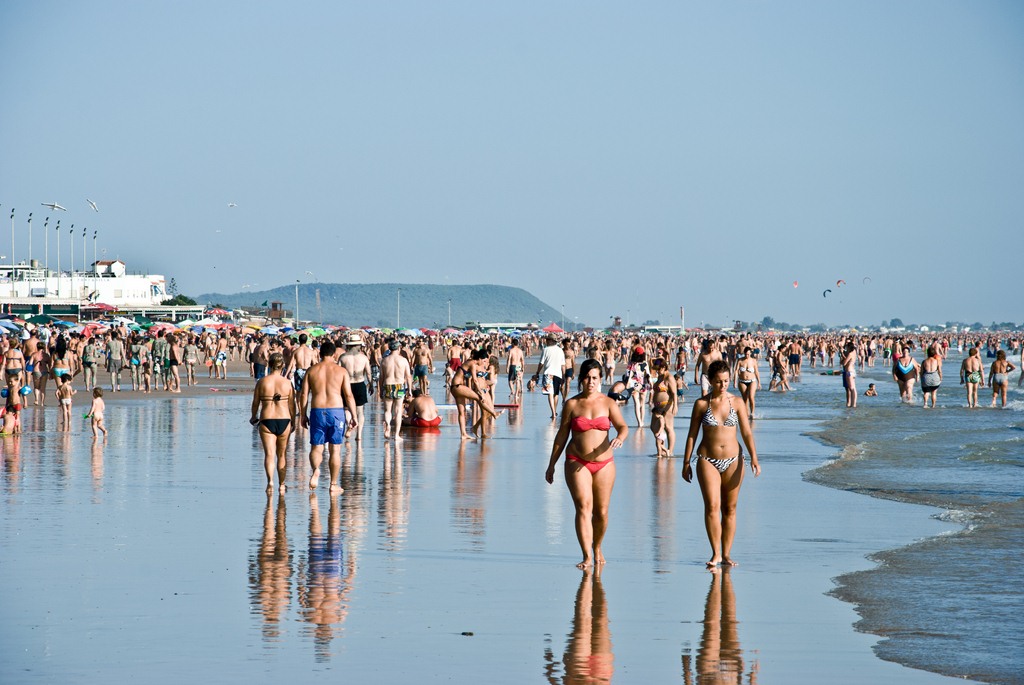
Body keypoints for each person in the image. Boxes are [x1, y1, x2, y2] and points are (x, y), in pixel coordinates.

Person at [545, 359, 629, 569]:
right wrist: (551, 464)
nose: (591, 382)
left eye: (594, 378)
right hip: (576, 461)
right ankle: (586, 556)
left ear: (600, 379)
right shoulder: (572, 404)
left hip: (604, 463)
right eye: (587, 378)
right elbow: (562, 436)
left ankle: (597, 547)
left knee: (601, 512)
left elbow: (623, 426)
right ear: (581, 379)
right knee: (583, 506)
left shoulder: (608, 403)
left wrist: (620, 437)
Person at [682, 360, 760, 567]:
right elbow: (692, 435)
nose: (723, 385)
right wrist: (686, 462)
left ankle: (726, 554)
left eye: (726, 381)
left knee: (730, 508)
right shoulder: (701, 404)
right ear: (710, 380)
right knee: (712, 506)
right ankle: (715, 553)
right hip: (707, 459)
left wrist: (754, 457)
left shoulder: (737, 402)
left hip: (734, 460)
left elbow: (746, 432)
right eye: (718, 381)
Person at [298, 340, 357, 493]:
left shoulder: (311, 371)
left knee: (316, 447)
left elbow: (304, 394)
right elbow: (348, 396)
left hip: (317, 410)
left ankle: (316, 470)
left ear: (320, 353)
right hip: (336, 411)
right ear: (334, 354)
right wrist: (354, 416)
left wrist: (302, 415)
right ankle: (333, 484)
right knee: (335, 449)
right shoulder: (341, 371)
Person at [250, 352, 296, 493]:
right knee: (281, 455)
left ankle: (270, 482)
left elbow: (255, 403)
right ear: (282, 366)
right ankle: (282, 485)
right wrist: (293, 421)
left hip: (266, 419)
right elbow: (292, 405)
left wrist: (253, 416)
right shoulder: (287, 383)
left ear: (269, 365)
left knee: (269, 455)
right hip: (284, 419)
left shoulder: (262, 382)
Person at [339, 333, 372, 440]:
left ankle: (349, 423)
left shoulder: (343, 357)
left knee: (346, 408)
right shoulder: (363, 357)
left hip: (346, 384)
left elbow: (338, 372)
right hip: (359, 383)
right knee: (360, 411)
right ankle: (359, 435)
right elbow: (368, 373)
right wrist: (371, 384)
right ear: (358, 345)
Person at [379, 340, 413, 440]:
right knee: (398, 411)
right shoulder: (403, 360)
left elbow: (381, 377)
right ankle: (397, 435)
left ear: (389, 348)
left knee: (387, 410)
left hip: (388, 385)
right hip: (399, 385)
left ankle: (388, 426)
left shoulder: (384, 360)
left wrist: (380, 389)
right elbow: (408, 376)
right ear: (399, 348)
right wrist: (410, 390)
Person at [649, 358, 678, 457]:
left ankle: (670, 450)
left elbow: (674, 393)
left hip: (667, 405)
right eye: (656, 369)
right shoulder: (660, 376)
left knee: (668, 427)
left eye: (659, 369)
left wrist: (675, 405)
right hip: (657, 407)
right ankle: (662, 447)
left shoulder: (669, 377)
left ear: (664, 367)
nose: (657, 371)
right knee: (653, 427)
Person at [535, 335, 566, 420]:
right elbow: (563, 365)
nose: (546, 341)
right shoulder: (560, 350)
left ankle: (553, 412)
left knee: (550, 393)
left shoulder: (546, 350)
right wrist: (563, 375)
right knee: (556, 393)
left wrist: (537, 372)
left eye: (547, 340)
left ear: (550, 341)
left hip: (548, 374)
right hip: (558, 374)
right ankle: (554, 411)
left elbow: (541, 363)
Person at [624, 346, 651, 428]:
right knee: (642, 404)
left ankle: (639, 422)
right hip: (643, 384)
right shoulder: (645, 363)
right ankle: (642, 421)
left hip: (633, 384)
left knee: (636, 403)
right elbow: (648, 375)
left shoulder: (631, 363)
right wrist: (650, 384)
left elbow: (627, 374)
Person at [732, 347, 760, 416]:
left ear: (750, 353)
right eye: (746, 354)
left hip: (752, 381)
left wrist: (759, 382)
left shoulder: (753, 361)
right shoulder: (740, 360)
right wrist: (734, 382)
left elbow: (756, 372)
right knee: (745, 398)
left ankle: (752, 413)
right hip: (742, 381)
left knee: (751, 397)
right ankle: (746, 414)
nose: (747, 355)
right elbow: (736, 371)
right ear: (744, 353)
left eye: (748, 354)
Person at [506, 337, 525, 402]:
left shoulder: (511, 350)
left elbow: (509, 359)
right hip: (518, 366)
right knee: (518, 380)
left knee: (510, 380)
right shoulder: (520, 351)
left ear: (513, 344)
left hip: (513, 365)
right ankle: (516, 394)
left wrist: (507, 367)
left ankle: (512, 390)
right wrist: (523, 367)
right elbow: (522, 360)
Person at [841, 341, 858, 408]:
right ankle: (853, 403)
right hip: (853, 371)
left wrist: (842, 354)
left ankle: (853, 404)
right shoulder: (854, 352)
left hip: (849, 371)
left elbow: (844, 363)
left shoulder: (850, 354)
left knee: (851, 388)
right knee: (853, 388)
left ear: (849, 347)